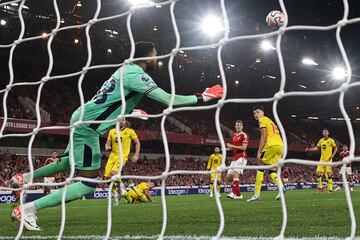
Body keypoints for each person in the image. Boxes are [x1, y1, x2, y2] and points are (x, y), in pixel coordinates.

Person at [9, 42, 223, 231]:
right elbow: (169, 100)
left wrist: (131, 112)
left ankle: (24, 178)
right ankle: (28, 209)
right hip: (88, 127)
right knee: (87, 183)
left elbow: (113, 102)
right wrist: (202, 97)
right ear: (147, 56)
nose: (157, 58)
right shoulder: (136, 74)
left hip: (82, 117)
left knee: (70, 162)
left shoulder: (123, 71)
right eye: (155, 53)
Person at [247, 106, 286, 202]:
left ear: (262, 113)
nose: (255, 114)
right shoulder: (271, 121)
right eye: (254, 113)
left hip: (271, 145)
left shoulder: (262, 120)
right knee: (272, 170)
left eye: (257, 112)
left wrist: (259, 151)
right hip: (280, 146)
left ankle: (256, 195)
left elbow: (263, 135)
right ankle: (281, 187)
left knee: (260, 165)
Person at [104, 118, 140, 205]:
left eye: (123, 120)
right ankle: (117, 194)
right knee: (107, 179)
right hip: (112, 157)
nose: (121, 121)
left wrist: (136, 155)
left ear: (125, 122)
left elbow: (137, 143)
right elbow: (107, 143)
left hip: (122, 156)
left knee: (114, 172)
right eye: (119, 120)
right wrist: (107, 146)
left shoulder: (130, 131)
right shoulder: (111, 131)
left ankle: (122, 188)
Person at [305, 128, 338, 193]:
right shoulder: (321, 140)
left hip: (328, 160)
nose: (325, 133)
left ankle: (330, 189)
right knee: (317, 174)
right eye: (324, 132)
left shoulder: (331, 140)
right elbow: (317, 148)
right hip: (322, 160)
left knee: (329, 175)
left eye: (326, 132)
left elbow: (336, 148)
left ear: (328, 133)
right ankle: (320, 187)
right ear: (322, 133)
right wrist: (309, 150)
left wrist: (333, 155)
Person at [225, 120, 249, 200]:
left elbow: (244, 147)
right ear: (235, 126)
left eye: (240, 125)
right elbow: (234, 147)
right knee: (228, 177)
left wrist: (232, 145)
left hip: (242, 157)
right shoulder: (234, 135)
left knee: (235, 173)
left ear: (242, 127)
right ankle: (236, 192)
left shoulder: (244, 135)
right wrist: (228, 148)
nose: (238, 126)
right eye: (237, 125)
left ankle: (235, 193)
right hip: (235, 158)